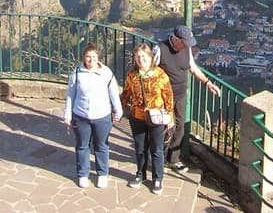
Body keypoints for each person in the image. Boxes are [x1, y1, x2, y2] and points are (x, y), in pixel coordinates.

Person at [153, 24, 220, 172]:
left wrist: (208, 83)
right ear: (175, 39)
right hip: (164, 96)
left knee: (180, 126)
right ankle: (159, 159)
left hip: (181, 93)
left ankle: (173, 159)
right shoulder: (160, 49)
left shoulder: (186, 49)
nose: (186, 46)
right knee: (166, 127)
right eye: (184, 42)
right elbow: (151, 73)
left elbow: (193, 67)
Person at [62, 42, 122, 189]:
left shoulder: (106, 73)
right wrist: (68, 114)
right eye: (88, 57)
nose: (90, 60)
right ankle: (83, 174)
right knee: (82, 146)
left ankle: (102, 174)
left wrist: (118, 110)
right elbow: (71, 95)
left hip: (102, 116)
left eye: (93, 57)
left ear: (98, 58)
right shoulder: (76, 73)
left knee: (101, 145)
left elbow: (113, 93)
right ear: (84, 58)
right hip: (81, 115)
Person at [121, 42, 174, 194]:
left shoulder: (160, 74)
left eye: (143, 57)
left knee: (156, 149)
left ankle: (157, 178)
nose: (140, 60)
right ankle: (140, 174)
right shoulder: (132, 75)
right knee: (140, 148)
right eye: (138, 57)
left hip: (157, 117)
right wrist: (121, 109)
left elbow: (168, 96)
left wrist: (170, 116)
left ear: (150, 57)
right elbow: (126, 93)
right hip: (137, 116)